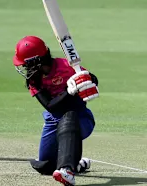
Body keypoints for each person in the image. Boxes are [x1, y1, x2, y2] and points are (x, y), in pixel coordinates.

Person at [12, 36, 99, 186]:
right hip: (53, 122)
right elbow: (51, 106)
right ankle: (76, 164)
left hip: (80, 119)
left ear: (36, 61)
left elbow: (92, 79)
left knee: (69, 116)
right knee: (46, 165)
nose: (25, 68)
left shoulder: (66, 66)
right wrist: (68, 90)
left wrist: (86, 80)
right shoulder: (34, 80)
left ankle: (67, 170)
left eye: (26, 64)